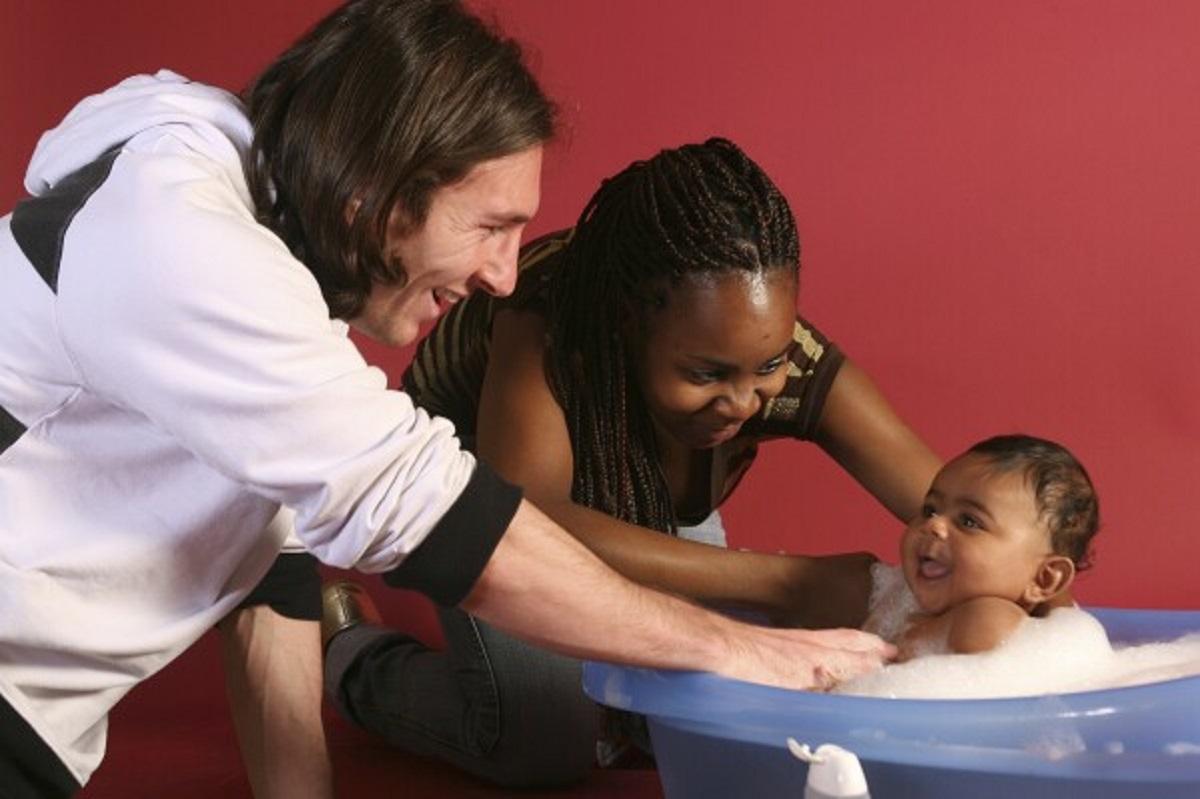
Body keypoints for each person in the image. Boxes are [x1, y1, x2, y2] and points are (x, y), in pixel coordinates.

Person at [0, 3, 893, 798]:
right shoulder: (179, 242)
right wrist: (742, 645)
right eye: (491, 227)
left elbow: (263, 579)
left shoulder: (252, 261)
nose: (503, 273)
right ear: (375, 202)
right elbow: (428, 514)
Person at [319, 137, 943, 787]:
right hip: (485, 491)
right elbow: (530, 519)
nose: (743, 400)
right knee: (542, 736)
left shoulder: (775, 359)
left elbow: (953, 505)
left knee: (720, 701)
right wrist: (787, 582)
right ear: (626, 325)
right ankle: (355, 652)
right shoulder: (545, 317)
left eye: (768, 363)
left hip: (633, 495)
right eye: (706, 372)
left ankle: (618, 714)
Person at [862, 434, 1100, 661]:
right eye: (930, 510)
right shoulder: (899, 598)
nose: (934, 524)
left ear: (1043, 579)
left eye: (969, 521)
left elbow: (989, 633)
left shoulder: (992, 619)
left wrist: (906, 644)